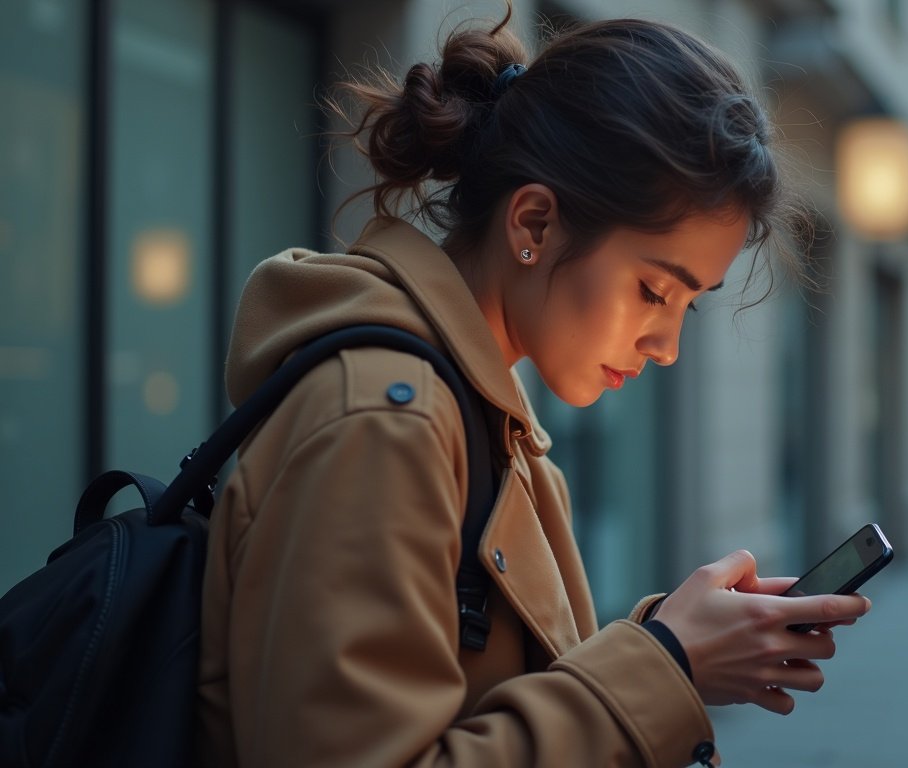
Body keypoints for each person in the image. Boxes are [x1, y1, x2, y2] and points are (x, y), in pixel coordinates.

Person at [195, 9, 871, 767]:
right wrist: (664, 665)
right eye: (654, 290)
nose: (669, 346)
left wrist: (674, 642)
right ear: (535, 224)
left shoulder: (486, 423)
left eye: (689, 304)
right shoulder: (387, 418)